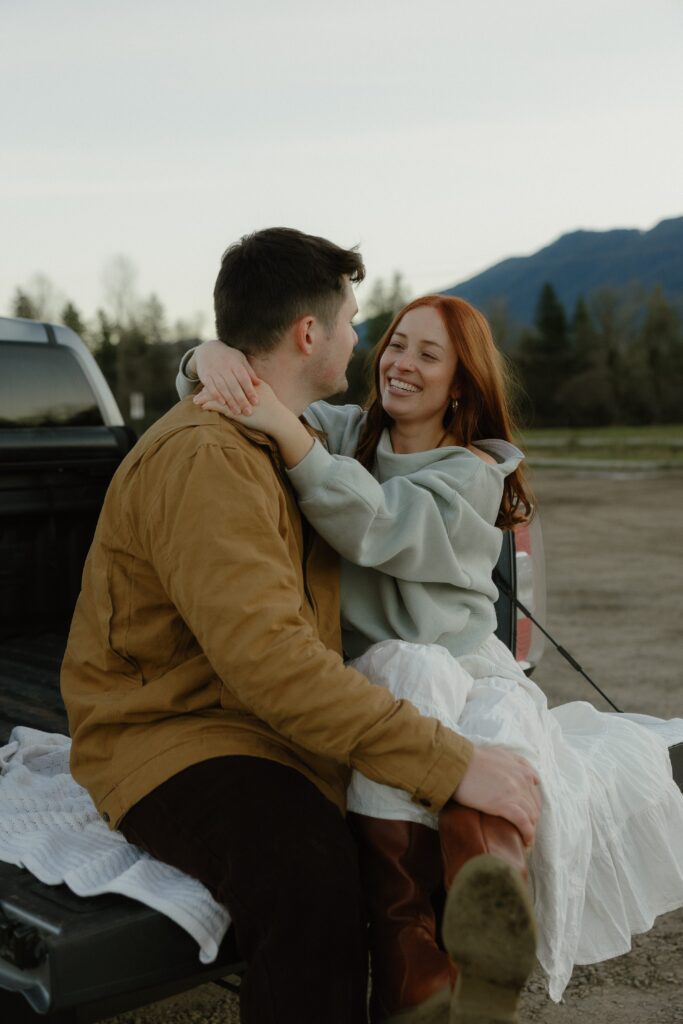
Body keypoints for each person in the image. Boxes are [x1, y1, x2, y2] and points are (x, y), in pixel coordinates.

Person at [61, 228, 541, 1024]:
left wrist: (204, 357)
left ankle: (426, 978)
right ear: (308, 334)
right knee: (308, 883)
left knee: (373, 833)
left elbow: (369, 517)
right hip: (172, 732)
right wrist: (447, 761)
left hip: (250, 719)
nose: (365, 339)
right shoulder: (211, 458)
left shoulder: (301, 433)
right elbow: (272, 664)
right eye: (355, 320)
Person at [177, 291, 683, 1014]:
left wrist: (287, 438)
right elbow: (226, 391)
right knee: (412, 678)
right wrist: (208, 356)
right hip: (383, 664)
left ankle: (483, 929)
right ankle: (416, 974)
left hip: (471, 660)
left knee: (506, 719)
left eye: (427, 353)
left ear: (460, 384)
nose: (400, 363)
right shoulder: (342, 430)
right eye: (394, 343)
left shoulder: (472, 471)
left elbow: (380, 525)